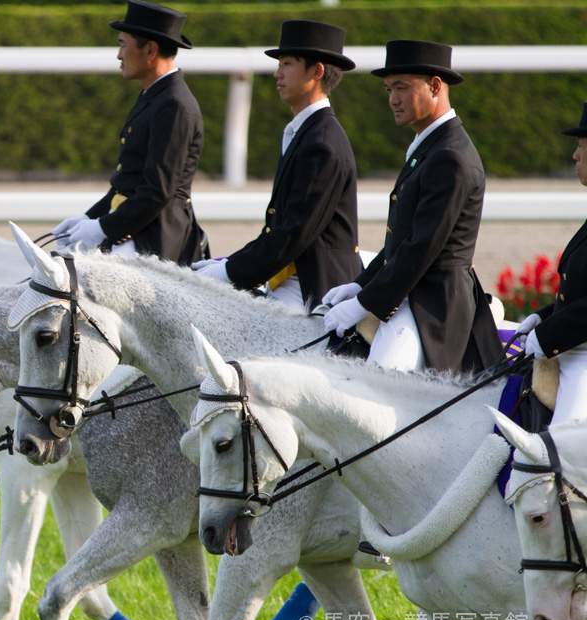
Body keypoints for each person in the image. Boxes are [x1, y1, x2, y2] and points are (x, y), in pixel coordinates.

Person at [323, 40, 501, 374]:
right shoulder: (429, 146)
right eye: (389, 89)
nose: (392, 99)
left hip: (433, 306)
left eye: (402, 88)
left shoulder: (450, 156)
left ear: (435, 86)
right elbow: (402, 241)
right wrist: (361, 284)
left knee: (378, 383)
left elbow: (421, 249)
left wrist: (362, 304)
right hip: (408, 292)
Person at [192, 20, 362, 312]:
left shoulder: (321, 143)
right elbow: (277, 230)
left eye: (287, 63)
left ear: (316, 71)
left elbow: (293, 234)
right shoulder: (305, 132)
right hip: (289, 276)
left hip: (315, 286)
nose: (277, 73)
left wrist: (228, 273)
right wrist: (231, 263)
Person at [51, 0, 207, 266]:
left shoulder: (174, 105)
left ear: (150, 50)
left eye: (123, 45)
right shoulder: (154, 95)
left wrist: (103, 229)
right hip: (135, 224)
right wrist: (89, 218)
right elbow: (127, 183)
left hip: (155, 237)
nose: (119, 55)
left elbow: (157, 191)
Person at [515, 101, 587, 425]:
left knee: (556, 454)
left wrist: (548, 335)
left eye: (581, 146)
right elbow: (577, 293)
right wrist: (542, 317)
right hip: (571, 349)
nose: (575, 155)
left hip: (583, 358)